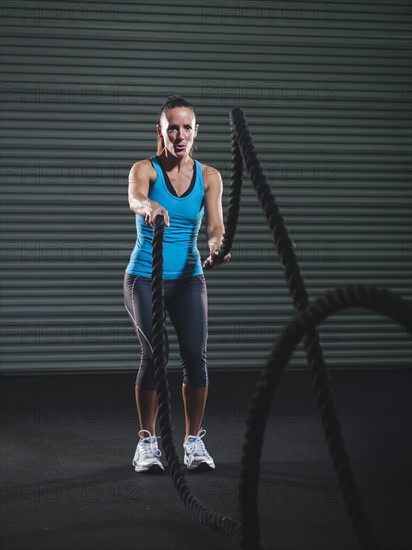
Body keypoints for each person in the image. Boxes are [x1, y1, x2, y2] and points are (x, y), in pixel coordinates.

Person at [123, 96, 231, 473]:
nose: (180, 135)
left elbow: (215, 228)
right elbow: (135, 196)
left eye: (187, 127)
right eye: (172, 127)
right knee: (153, 356)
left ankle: (193, 441)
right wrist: (150, 207)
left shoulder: (210, 176)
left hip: (188, 279)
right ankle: (146, 442)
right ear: (161, 131)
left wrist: (217, 248)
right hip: (143, 278)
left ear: (196, 131)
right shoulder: (146, 169)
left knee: (195, 360)